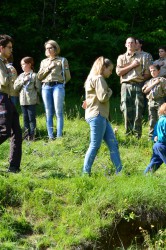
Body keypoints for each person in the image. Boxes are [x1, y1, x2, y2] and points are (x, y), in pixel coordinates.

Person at [82, 56, 123, 175]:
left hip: (99, 116)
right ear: (103, 67)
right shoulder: (99, 78)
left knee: (113, 144)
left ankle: (120, 171)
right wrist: (110, 91)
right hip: (97, 115)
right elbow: (103, 97)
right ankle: (85, 172)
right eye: (110, 70)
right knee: (95, 144)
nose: (111, 72)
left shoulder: (91, 78)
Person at [116, 37, 151, 139]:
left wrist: (138, 79)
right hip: (125, 85)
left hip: (138, 85)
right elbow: (119, 72)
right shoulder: (121, 57)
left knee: (138, 110)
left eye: (133, 43)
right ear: (125, 44)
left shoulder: (143, 57)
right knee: (126, 109)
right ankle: (128, 134)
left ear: (136, 45)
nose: (130, 44)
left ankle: (137, 135)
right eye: (128, 43)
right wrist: (132, 66)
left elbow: (147, 74)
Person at [38, 40, 71, 139]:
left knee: (58, 111)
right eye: (46, 48)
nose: (48, 50)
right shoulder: (43, 62)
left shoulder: (62, 60)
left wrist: (62, 84)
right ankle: (50, 136)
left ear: (55, 49)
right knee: (48, 112)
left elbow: (68, 76)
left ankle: (59, 136)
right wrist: (49, 68)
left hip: (58, 86)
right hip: (46, 87)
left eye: (50, 48)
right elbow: (39, 77)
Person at [0, 34, 22, 173]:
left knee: (17, 133)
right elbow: (3, 82)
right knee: (4, 131)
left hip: (7, 98)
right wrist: (10, 72)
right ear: (1, 48)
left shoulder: (4, 62)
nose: (11, 50)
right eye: (9, 47)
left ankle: (14, 167)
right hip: (1, 98)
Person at [14, 57, 41, 141]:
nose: (22, 66)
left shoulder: (34, 75)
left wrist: (36, 97)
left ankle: (33, 136)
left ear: (29, 64)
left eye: (23, 64)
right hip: (22, 101)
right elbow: (15, 87)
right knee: (25, 119)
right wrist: (23, 81)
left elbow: (39, 88)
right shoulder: (21, 76)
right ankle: (26, 136)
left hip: (31, 101)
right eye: (21, 65)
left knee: (32, 119)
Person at [142, 64, 166, 139]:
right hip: (151, 101)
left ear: (158, 71)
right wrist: (155, 83)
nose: (152, 72)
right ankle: (151, 137)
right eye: (151, 71)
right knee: (152, 119)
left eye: (154, 70)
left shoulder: (162, 80)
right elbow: (145, 90)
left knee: (161, 118)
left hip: (160, 101)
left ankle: (160, 136)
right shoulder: (148, 82)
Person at [144, 103, 166, 174]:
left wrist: (154, 139)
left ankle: (145, 175)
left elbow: (155, 134)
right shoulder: (165, 121)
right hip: (163, 145)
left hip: (157, 145)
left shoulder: (159, 120)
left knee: (155, 162)